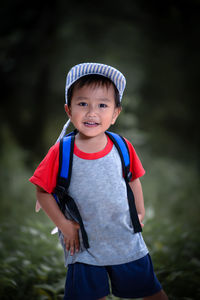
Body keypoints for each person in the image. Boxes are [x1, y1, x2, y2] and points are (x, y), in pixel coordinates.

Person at [29, 63, 168, 300]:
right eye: (82, 104)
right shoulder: (61, 152)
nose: (92, 112)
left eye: (102, 105)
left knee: (151, 292)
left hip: (125, 241)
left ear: (115, 114)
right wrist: (63, 224)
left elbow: (132, 179)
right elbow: (42, 191)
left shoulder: (122, 147)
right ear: (69, 110)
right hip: (83, 247)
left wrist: (140, 212)